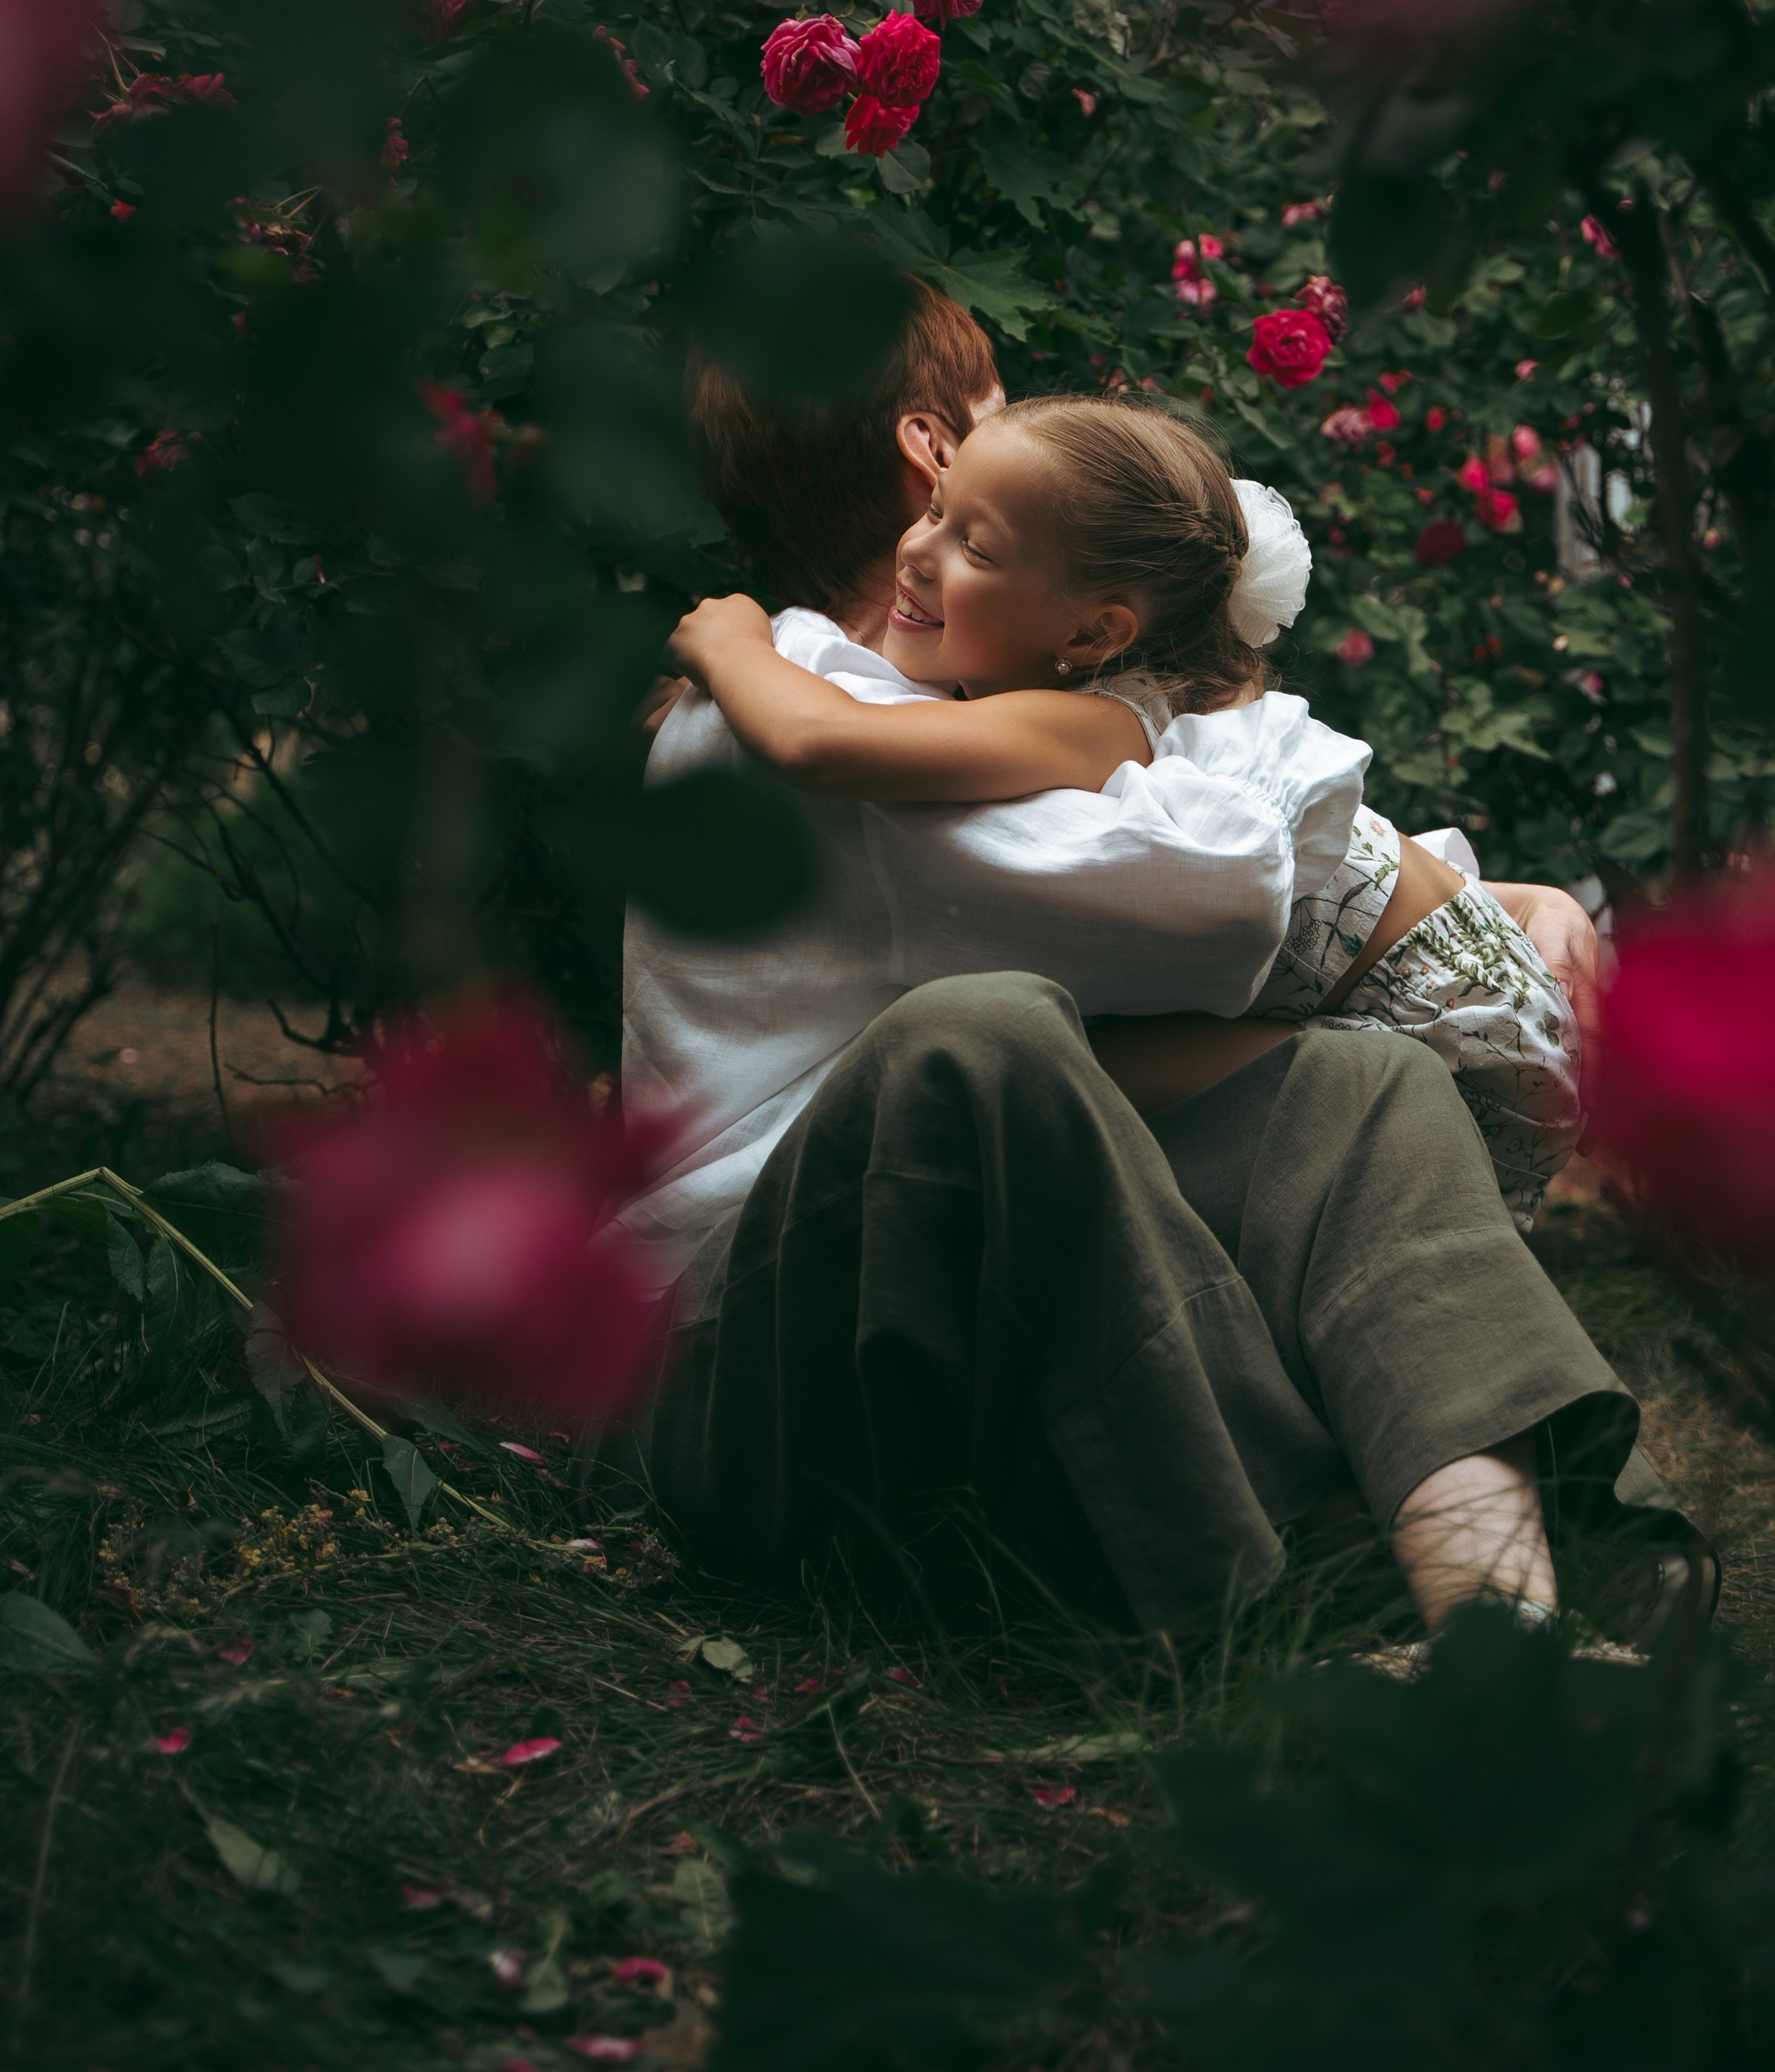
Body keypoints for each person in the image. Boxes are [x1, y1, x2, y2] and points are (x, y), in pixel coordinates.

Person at [621, 280, 1693, 1644]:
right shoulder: (809, 718)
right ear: (930, 449)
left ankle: (1533, 1578)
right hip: (757, 1357)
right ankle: (1302, 1608)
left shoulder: (952, 714)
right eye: (1002, 403)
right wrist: (1446, 914)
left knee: (1350, 1093)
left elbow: (1212, 834)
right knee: (992, 1041)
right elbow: (1226, 899)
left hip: (925, 1291)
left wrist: (1496, 894)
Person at [668, 392, 1578, 1229]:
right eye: (937, 510)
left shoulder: (1091, 719)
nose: (917, 550)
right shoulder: (1124, 701)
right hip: (1468, 982)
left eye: (975, 550)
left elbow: (820, 746)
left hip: (1456, 1041)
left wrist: (732, 641)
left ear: (1093, 634)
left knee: (1038, 1077)